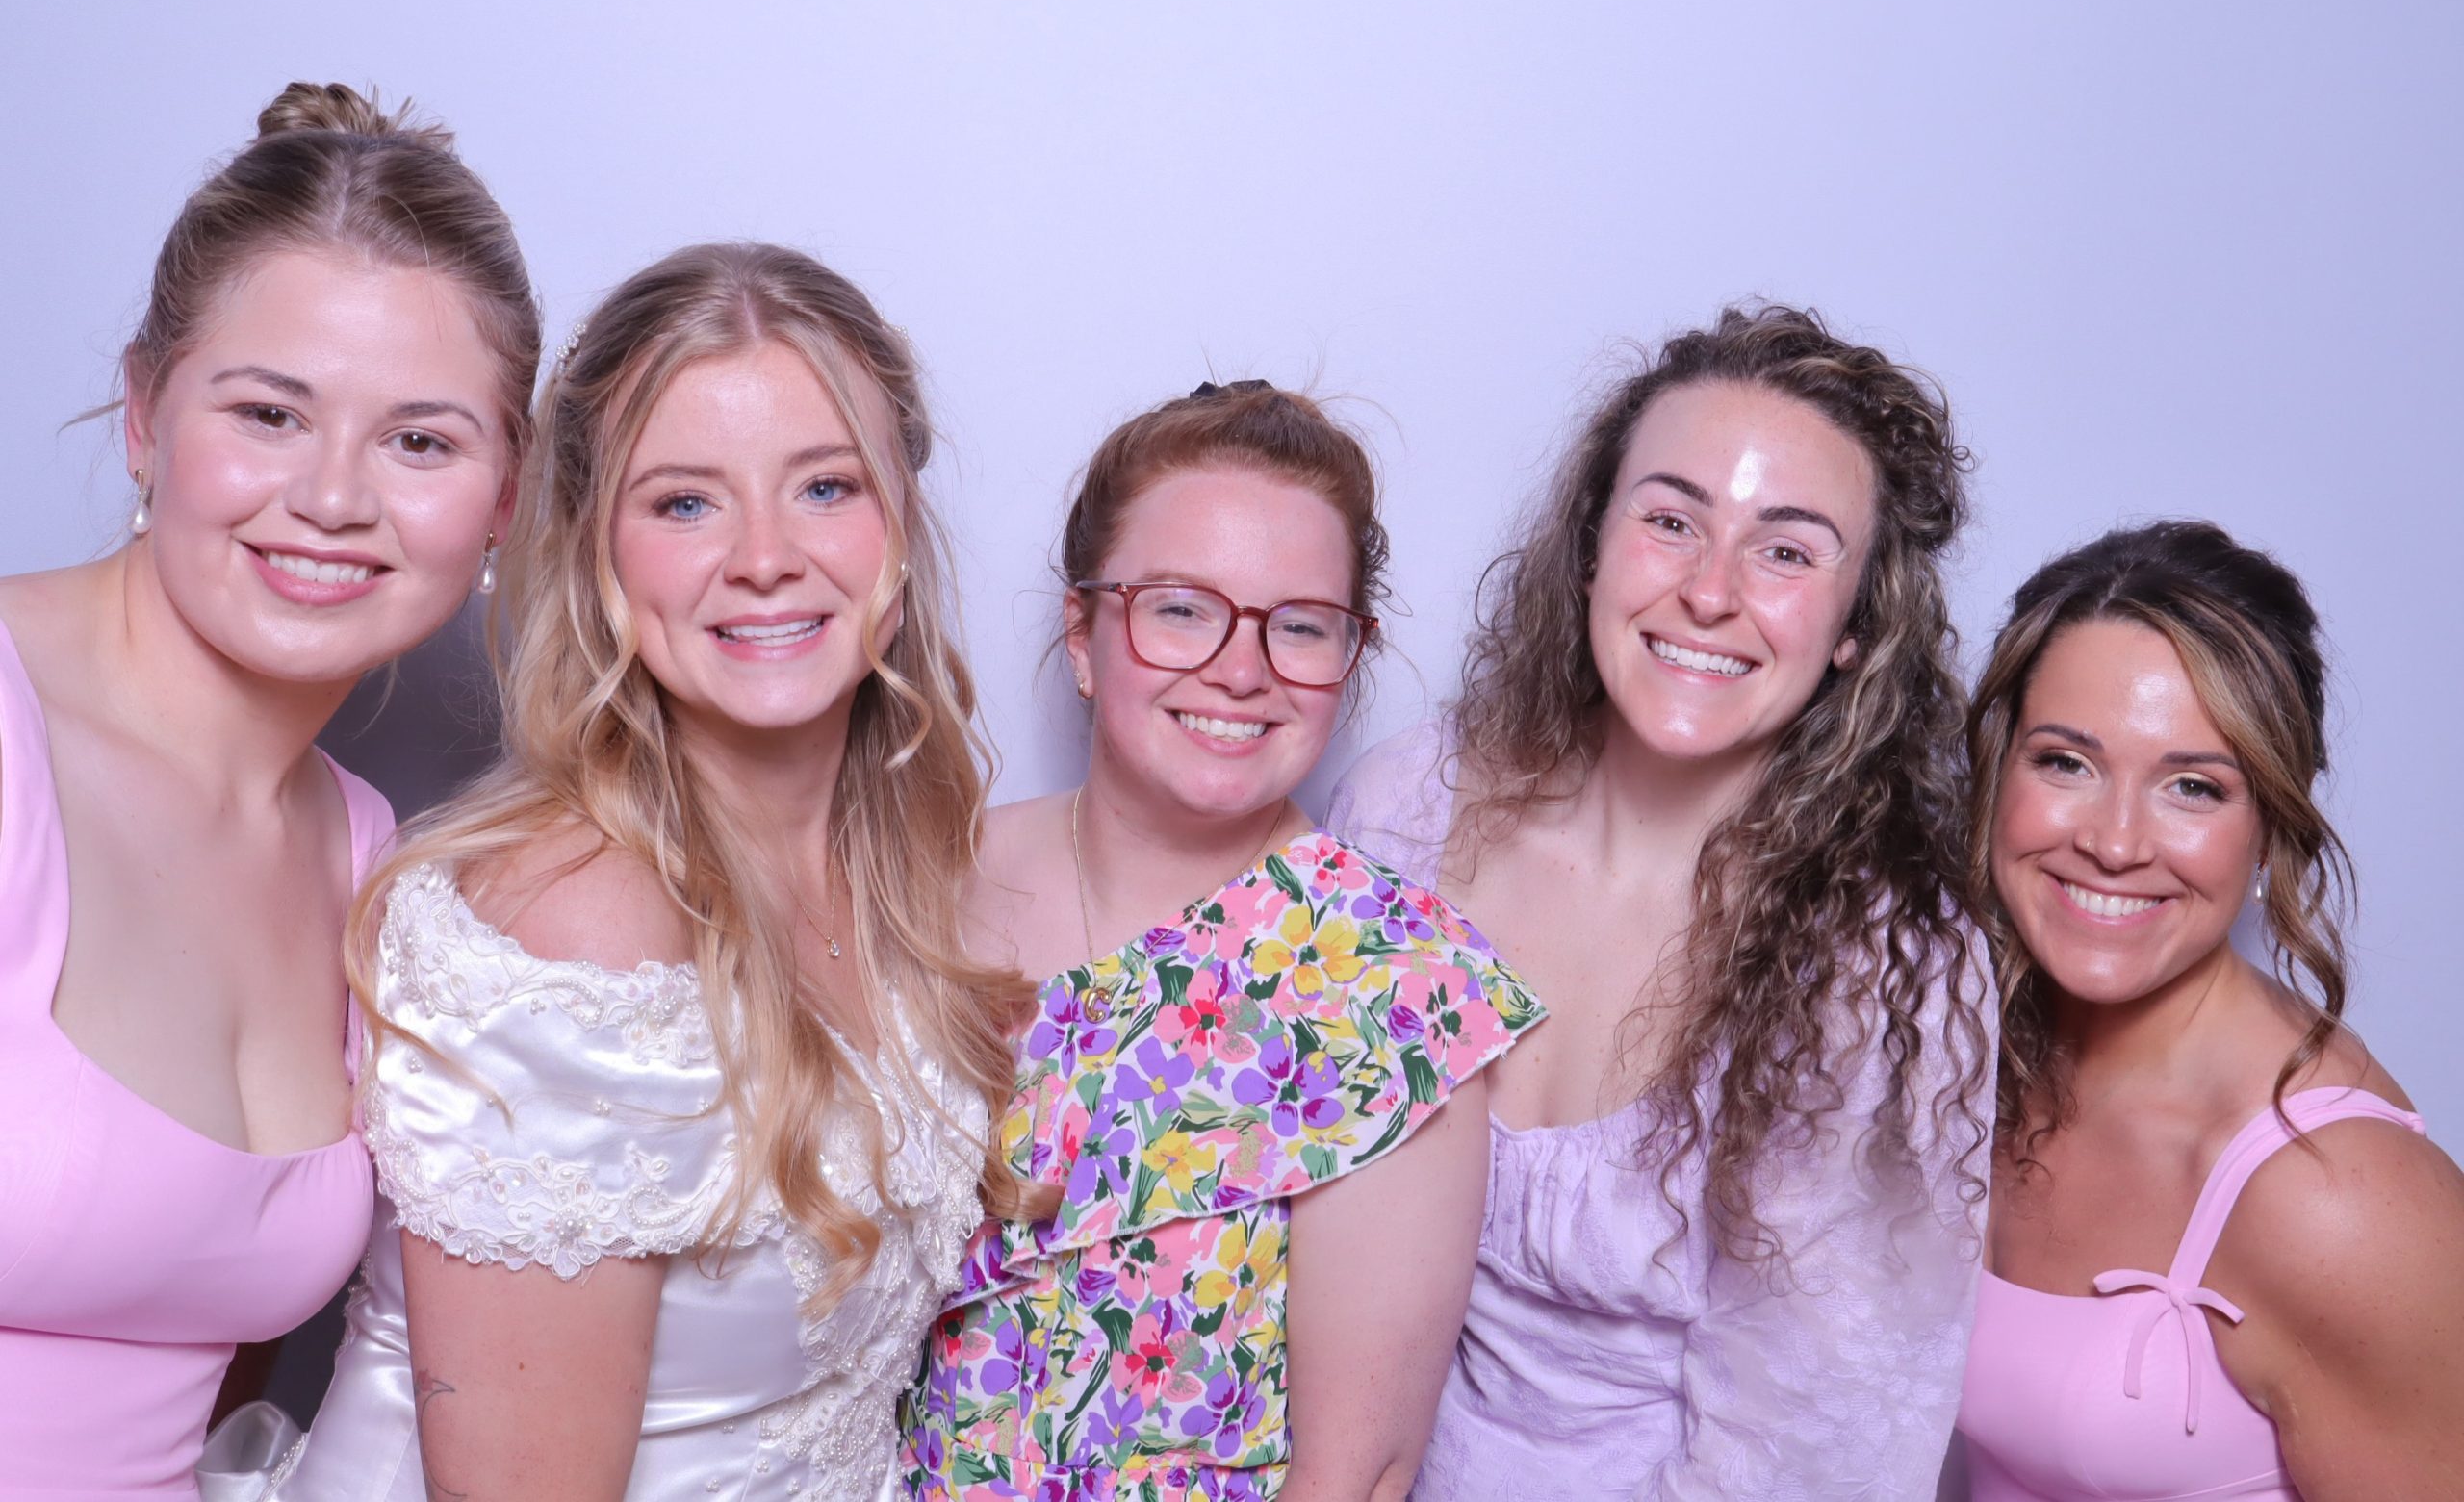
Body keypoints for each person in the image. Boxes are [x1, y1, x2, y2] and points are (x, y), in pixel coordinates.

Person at [249, 242, 1029, 1500]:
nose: (765, 556)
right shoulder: (578, 930)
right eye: (684, 504)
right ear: (597, 554)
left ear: (899, 523)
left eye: (826, 487)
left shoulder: (891, 868)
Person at [1327, 306, 1994, 1498]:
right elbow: (1291, 1244)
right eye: (1671, 521)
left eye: (1786, 552)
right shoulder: (1407, 810)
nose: (1709, 592)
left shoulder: (1887, 969)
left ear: (1856, 628)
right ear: (1592, 543)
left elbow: (1816, 1453)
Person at [0, 82, 534, 1499]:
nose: (334, 498)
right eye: (270, 413)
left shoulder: (365, 853)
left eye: (420, 441)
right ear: (143, 414)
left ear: (504, 498)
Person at [901, 381, 1545, 1501]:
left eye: (1299, 625)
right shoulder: (917, 882)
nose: (1241, 670)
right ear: (1083, 634)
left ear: (1349, 659)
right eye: (1181, 608)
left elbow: (1357, 1474)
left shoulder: (1391, 982)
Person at [1953, 521, 2464, 1500]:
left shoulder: (2337, 1199)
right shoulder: (1962, 1060)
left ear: (2270, 826)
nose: (2113, 843)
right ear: (1996, 769)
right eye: (2065, 763)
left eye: (2192, 787)